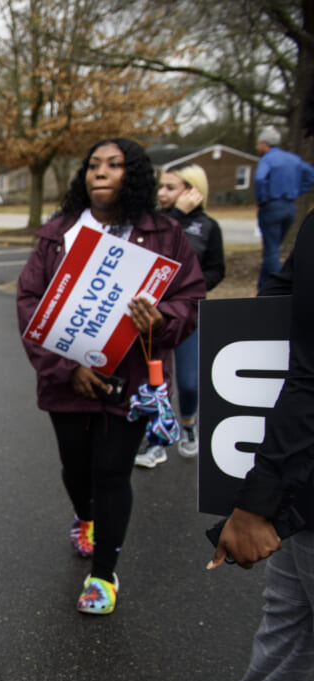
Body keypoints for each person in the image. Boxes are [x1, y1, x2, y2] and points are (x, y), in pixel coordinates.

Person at [150, 89, 314, 681]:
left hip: (301, 471)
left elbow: (306, 372)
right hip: (300, 479)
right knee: (290, 609)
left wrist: (261, 501)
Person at [15, 139, 205, 615]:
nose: (100, 172)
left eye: (114, 165)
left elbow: (191, 296)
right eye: (93, 164)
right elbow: (30, 303)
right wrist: (67, 367)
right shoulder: (59, 233)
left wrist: (161, 318)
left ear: (134, 174)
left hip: (133, 379)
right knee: (77, 469)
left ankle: (103, 574)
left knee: (113, 473)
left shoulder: (164, 234)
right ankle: (85, 516)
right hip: (66, 379)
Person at [135, 164, 225, 468]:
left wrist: (195, 288)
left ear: (193, 191)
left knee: (188, 383)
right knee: (156, 383)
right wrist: (178, 217)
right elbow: (149, 252)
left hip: (187, 315)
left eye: (170, 188)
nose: (161, 193)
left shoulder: (209, 227)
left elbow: (216, 268)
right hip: (151, 317)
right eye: (160, 187)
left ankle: (188, 425)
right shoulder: (154, 223)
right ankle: (156, 442)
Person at [254, 126, 314, 289]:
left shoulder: (266, 160)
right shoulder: (293, 158)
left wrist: (262, 199)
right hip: (290, 207)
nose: (257, 147)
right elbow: (310, 174)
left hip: (272, 207)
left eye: (258, 144)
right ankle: (263, 287)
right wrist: (298, 191)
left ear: (265, 143)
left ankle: (280, 289)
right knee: (272, 248)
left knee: (271, 250)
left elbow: (260, 179)